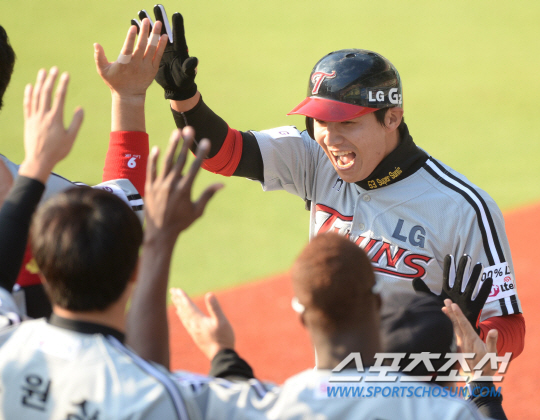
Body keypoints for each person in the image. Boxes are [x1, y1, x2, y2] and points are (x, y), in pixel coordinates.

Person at [128, 5, 524, 358]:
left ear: (391, 118)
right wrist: (183, 95)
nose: (330, 139)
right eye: (320, 121)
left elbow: (510, 329)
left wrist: (467, 335)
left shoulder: (461, 208)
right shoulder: (314, 160)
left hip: (417, 399)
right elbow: (222, 152)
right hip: (335, 391)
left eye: (347, 123)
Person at [169, 234, 503, 419]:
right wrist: (482, 387)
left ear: (302, 318)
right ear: (377, 303)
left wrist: (221, 351)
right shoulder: (447, 412)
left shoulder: (281, 405)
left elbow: (236, 398)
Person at [0, 20, 161, 317]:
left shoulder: (38, 191)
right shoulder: (43, 195)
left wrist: (128, 98)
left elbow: (117, 213)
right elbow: (120, 213)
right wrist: (128, 99)